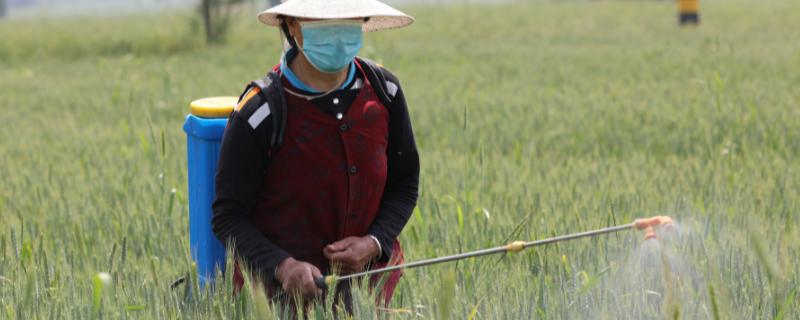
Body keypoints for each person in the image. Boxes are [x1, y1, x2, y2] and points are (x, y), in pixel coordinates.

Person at [211, 0, 419, 309]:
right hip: (281, 302)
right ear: (292, 25)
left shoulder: (384, 91)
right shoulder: (260, 112)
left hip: (374, 298)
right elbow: (229, 218)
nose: (336, 32)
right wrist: (283, 266)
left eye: (347, 19)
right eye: (322, 20)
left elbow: (405, 185)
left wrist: (374, 243)